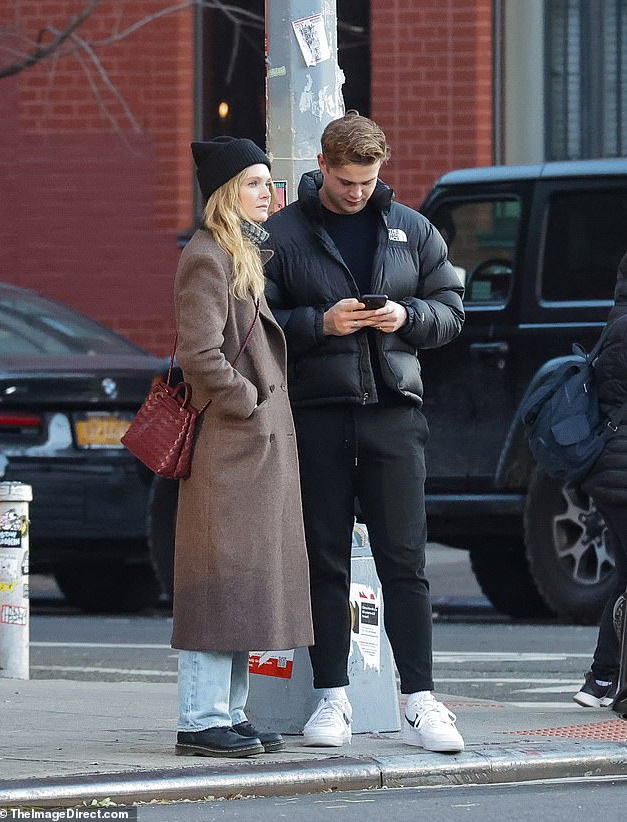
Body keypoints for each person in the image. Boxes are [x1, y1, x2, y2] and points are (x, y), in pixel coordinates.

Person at [264, 111, 466, 752]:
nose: (357, 192)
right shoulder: (283, 233)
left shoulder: (412, 228)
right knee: (322, 559)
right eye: (346, 180)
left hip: (393, 413)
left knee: (405, 561)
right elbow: (259, 320)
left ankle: (420, 700)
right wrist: (320, 325)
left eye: (368, 180)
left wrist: (406, 314)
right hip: (318, 414)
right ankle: (331, 699)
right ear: (321, 166)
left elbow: (453, 312)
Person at [171, 137, 314, 758]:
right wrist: (246, 404)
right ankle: (202, 719)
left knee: (242, 584)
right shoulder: (207, 257)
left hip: (248, 449)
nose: (270, 195)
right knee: (217, 582)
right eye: (257, 183)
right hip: (228, 447)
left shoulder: (238, 254)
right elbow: (200, 354)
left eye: (270, 182)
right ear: (228, 192)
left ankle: (229, 713)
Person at [574, 251, 627, 711]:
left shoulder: (617, 324)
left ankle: (602, 678)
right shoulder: (624, 330)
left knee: (623, 574)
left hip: (612, 472)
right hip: (619, 474)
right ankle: (607, 678)